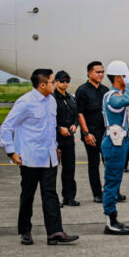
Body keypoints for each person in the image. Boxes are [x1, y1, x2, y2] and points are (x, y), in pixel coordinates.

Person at [0, 69, 79, 245]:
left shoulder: (51, 101)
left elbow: (50, 129)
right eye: (52, 82)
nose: (55, 84)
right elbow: (6, 127)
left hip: (49, 157)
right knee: (28, 194)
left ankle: (55, 232)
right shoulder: (25, 102)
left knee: (50, 194)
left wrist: (56, 148)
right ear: (42, 85)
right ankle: (25, 230)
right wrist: (12, 152)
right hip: (29, 158)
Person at [101, 60, 129, 235]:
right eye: (124, 76)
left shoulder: (115, 94)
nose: (127, 79)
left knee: (115, 181)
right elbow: (126, 100)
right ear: (117, 78)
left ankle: (113, 218)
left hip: (118, 142)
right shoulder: (111, 96)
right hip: (114, 143)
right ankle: (110, 221)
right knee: (112, 182)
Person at [75, 61, 111, 203]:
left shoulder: (105, 90)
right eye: (98, 72)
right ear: (89, 73)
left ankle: (111, 191)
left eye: (102, 72)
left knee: (109, 162)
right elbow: (80, 113)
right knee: (94, 163)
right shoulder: (82, 90)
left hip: (106, 133)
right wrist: (86, 133)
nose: (101, 74)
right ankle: (97, 193)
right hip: (91, 134)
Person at [53, 70, 80, 206]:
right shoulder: (51, 98)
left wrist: (75, 125)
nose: (65, 83)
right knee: (51, 171)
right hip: (55, 138)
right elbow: (48, 119)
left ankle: (69, 197)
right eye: (62, 81)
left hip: (69, 138)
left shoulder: (71, 98)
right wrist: (59, 128)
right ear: (56, 82)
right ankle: (53, 199)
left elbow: (76, 115)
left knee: (69, 169)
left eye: (67, 81)